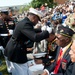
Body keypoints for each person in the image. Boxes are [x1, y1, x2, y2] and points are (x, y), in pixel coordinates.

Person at [4, 8, 52, 75]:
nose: (37, 22)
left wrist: (41, 29)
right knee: (21, 71)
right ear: (34, 17)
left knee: (21, 70)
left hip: (16, 48)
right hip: (16, 51)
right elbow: (35, 37)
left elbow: (31, 31)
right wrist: (46, 32)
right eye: (37, 20)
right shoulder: (25, 24)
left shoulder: (25, 22)